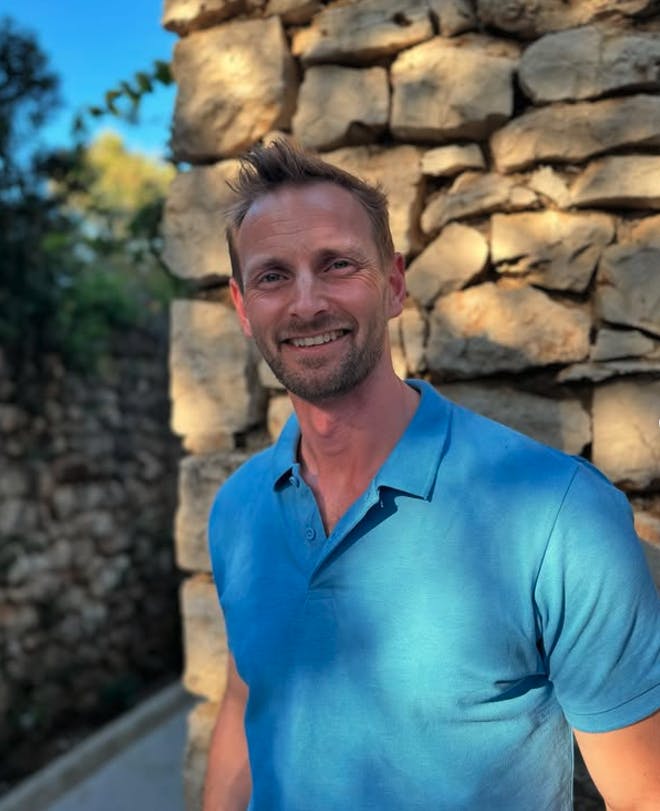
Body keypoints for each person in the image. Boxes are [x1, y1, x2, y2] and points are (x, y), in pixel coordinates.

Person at [203, 139, 659, 811]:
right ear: (243, 308)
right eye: (273, 276)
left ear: (393, 284)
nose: (306, 303)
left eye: (337, 264)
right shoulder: (237, 509)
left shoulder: (557, 514)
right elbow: (247, 694)